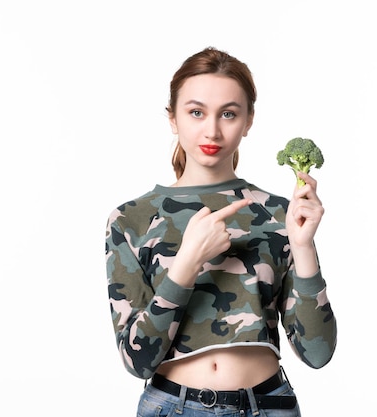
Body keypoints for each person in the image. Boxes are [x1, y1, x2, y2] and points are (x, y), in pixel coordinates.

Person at [105, 46, 337, 416]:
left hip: (267, 405)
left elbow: (318, 354)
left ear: (248, 121)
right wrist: (186, 263)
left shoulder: (280, 212)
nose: (211, 129)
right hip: (172, 407)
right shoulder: (131, 219)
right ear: (173, 118)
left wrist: (304, 247)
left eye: (228, 114)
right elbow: (138, 361)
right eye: (196, 112)